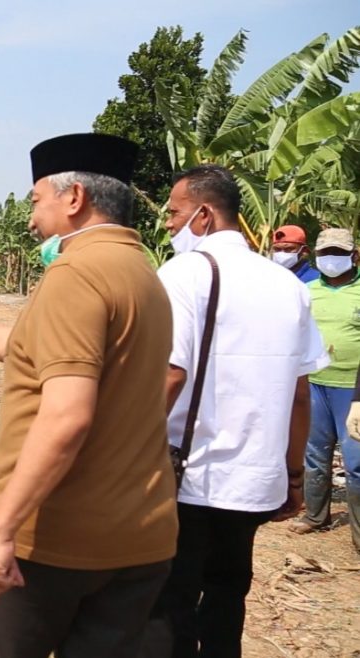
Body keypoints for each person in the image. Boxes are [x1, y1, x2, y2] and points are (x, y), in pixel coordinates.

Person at [0, 133, 178, 657]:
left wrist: (3, 529)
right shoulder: (142, 273)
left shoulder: (77, 273)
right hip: (137, 538)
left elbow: (67, 415)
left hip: (56, 543)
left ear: (74, 199)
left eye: (36, 201)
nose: (31, 219)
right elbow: (44, 355)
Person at [146, 165, 327, 658]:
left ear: (203, 215)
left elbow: (171, 374)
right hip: (253, 481)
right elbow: (300, 393)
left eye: (175, 213)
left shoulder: (183, 274)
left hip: (188, 475)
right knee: (229, 597)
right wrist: (292, 477)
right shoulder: (287, 285)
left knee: (173, 601)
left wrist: (121, 454)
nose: (168, 224)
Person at [290, 228, 360, 552]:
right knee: (315, 453)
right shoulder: (307, 290)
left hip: (352, 389)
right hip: (316, 382)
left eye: (338, 252)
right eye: (325, 253)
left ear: (354, 255)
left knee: (355, 460)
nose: (331, 259)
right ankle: (315, 517)